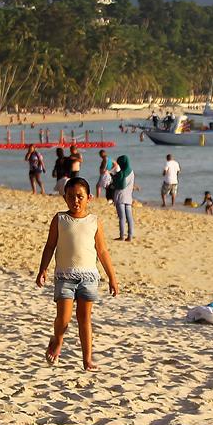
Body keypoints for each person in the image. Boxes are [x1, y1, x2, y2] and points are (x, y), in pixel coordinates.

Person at [36, 177, 119, 370]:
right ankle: (57, 339)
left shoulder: (94, 221)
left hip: (89, 277)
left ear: (89, 198)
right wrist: (43, 269)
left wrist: (112, 278)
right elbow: (50, 246)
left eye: (80, 197)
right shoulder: (60, 219)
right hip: (65, 276)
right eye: (71, 197)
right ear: (64, 197)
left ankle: (87, 359)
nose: (75, 201)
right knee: (63, 319)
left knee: (84, 319)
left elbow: (102, 251)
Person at [111, 155, 135, 241]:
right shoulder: (131, 172)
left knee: (122, 218)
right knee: (130, 218)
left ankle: (122, 236)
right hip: (128, 197)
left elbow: (119, 184)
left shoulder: (122, 173)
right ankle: (130, 236)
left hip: (120, 196)